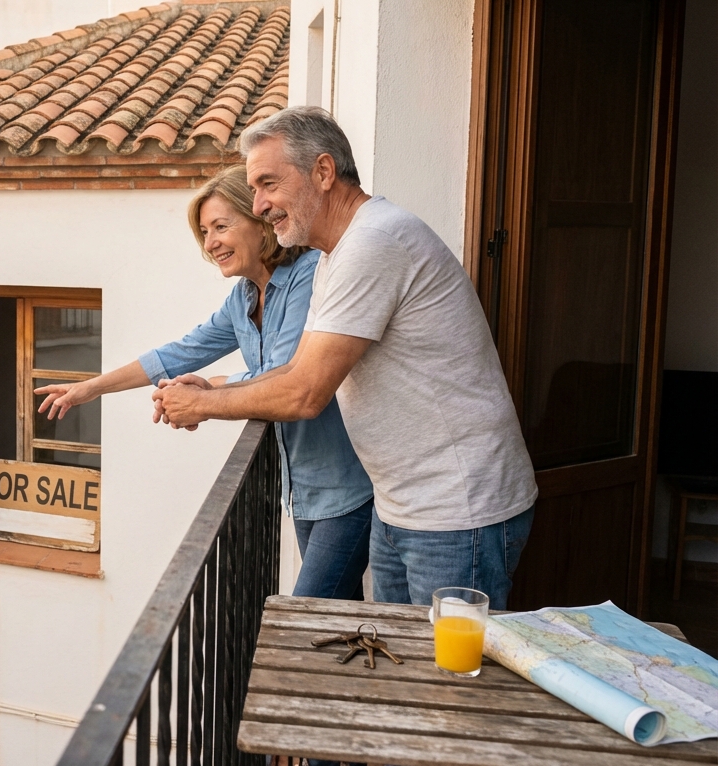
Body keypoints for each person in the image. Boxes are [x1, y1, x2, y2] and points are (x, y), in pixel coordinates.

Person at [152, 107, 537, 610]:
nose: (260, 204)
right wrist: (215, 389)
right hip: (400, 504)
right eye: (254, 189)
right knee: (399, 653)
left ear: (323, 171)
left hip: (457, 510)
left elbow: (306, 393)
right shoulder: (336, 254)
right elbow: (296, 368)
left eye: (268, 184)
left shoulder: (374, 242)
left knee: (441, 662)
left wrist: (202, 406)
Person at [36, 166, 374, 601]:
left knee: (311, 611)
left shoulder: (307, 276)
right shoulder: (244, 297)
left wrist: (209, 391)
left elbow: (287, 374)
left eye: (221, 226)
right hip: (306, 489)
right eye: (204, 232)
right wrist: (91, 388)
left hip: (348, 488)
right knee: (337, 613)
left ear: (259, 222)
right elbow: (181, 352)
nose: (210, 242)